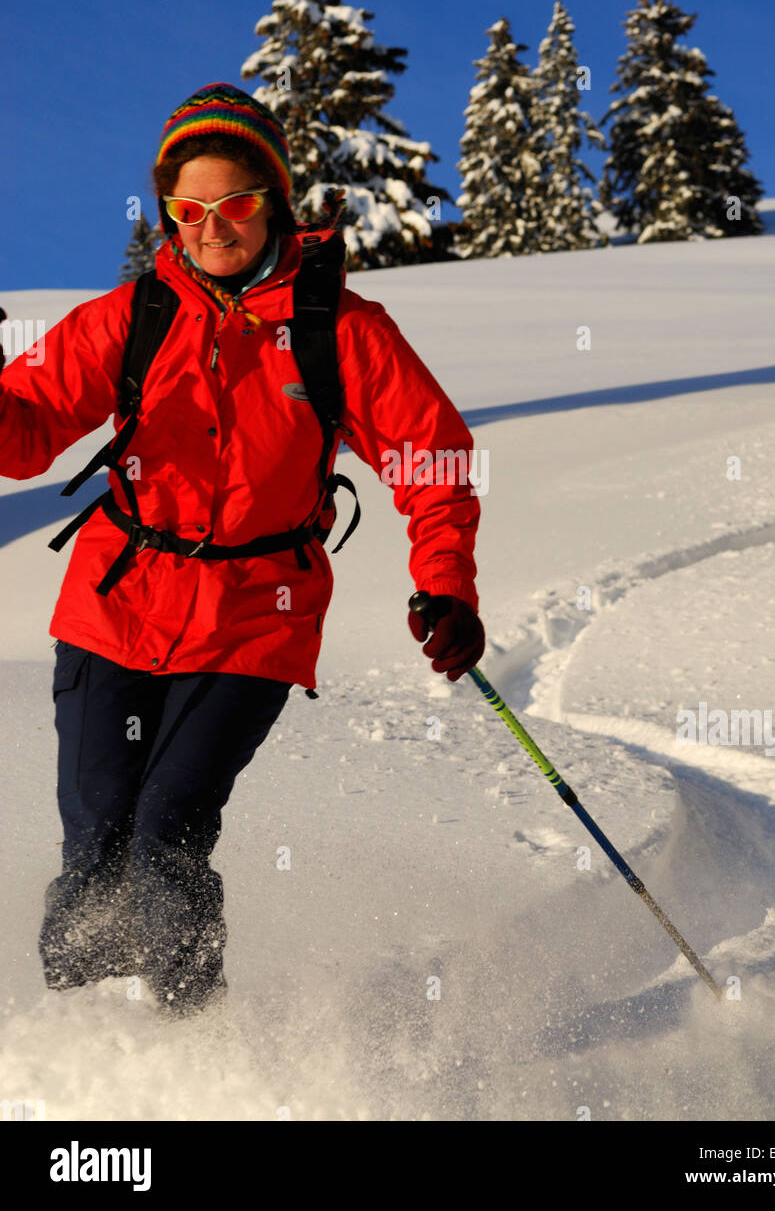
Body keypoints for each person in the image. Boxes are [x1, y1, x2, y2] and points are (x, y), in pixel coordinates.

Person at [0, 83, 485, 1016]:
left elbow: (434, 460)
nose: (213, 228)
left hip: (255, 619)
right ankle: (85, 1051)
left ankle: (193, 1047)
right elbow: (25, 434)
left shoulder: (338, 330)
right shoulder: (131, 318)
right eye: (190, 209)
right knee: (95, 855)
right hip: (117, 605)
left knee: (166, 832)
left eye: (236, 204)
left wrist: (446, 586)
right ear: (169, 215)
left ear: (275, 202)